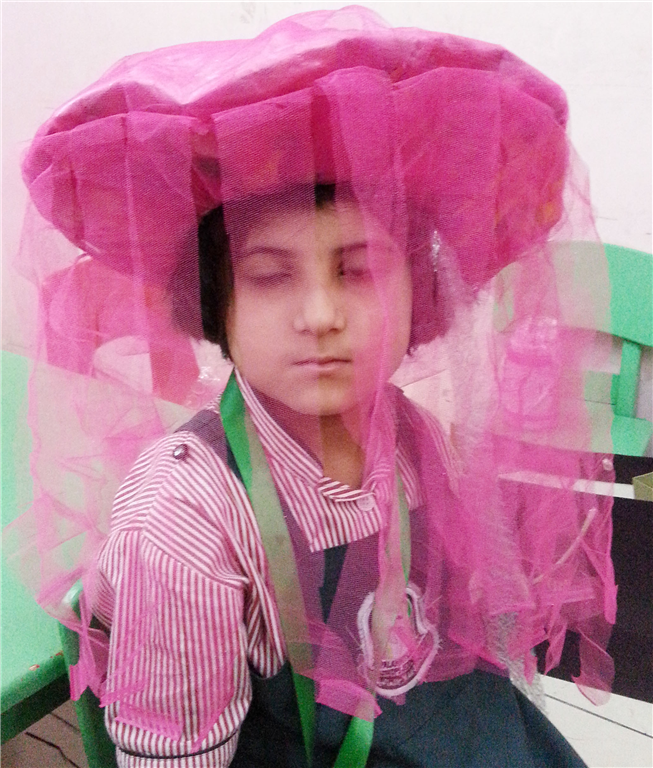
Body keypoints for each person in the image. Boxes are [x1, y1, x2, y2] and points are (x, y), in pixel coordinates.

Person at [13, 6, 616, 767]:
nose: (322, 315)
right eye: (269, 277)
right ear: (215, 303)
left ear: (419, 292)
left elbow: (460, 638)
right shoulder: (183, 518)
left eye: (358, 270)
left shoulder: (412, 434)